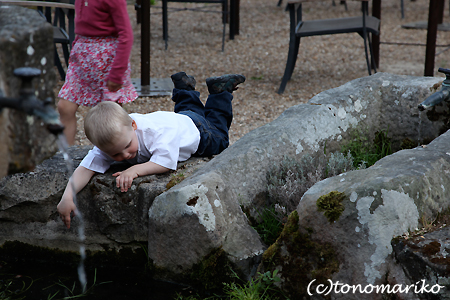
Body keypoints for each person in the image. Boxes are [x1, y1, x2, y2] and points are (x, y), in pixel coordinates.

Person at [57, 72, 245, 228]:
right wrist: (67, 196)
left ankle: (220, 92)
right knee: (189, 111)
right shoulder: (115, 136)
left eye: (126, 147)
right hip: (180, 120)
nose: (124, 156)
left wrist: (134, 170)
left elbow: (165, 163)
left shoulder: (154, 134)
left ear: (134, 124)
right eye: (114, 155)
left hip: (199, 133)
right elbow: (85, 169)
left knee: (219, 136)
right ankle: (184, 89)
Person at [57, 0, 138, 145]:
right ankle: (65, 158)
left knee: (110, 116)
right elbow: (83, 27)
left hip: (107, 62)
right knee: (65, 107)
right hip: (82, 62)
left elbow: (126, 35)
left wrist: (117, 73)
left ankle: (116, 153)